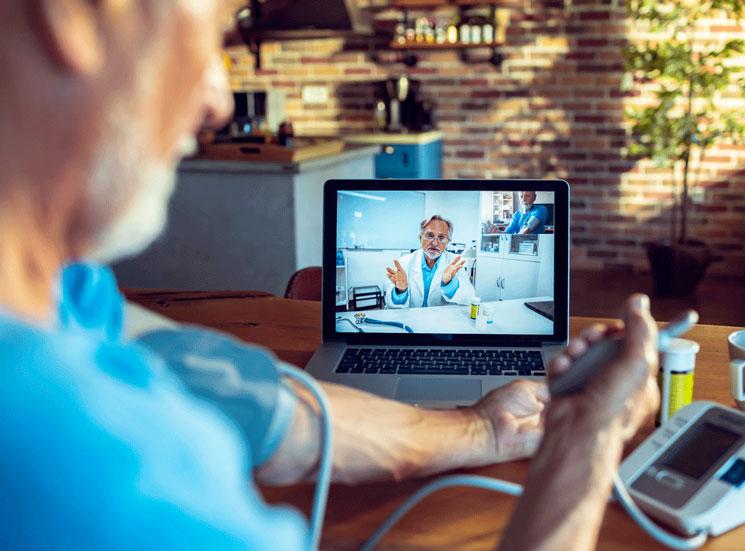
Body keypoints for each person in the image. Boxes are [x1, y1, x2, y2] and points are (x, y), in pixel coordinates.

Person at [0, 1, 660, 549]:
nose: (218, 100)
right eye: (213, 31)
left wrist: (484, 429)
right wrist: (586, 440)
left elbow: (258, 401)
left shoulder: (66, 297)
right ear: (78, 13)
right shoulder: (97, 471)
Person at [385, 215, 476, 308]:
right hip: (411, 319)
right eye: (430, 236)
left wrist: (450, 284)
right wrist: (401, 291)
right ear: (420, 238)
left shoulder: (455, 264)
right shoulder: (404, 263)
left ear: (448, 242)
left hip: (441, 320)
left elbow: (469, 298)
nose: (435, 243)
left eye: (441, 238)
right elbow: (390, 306)